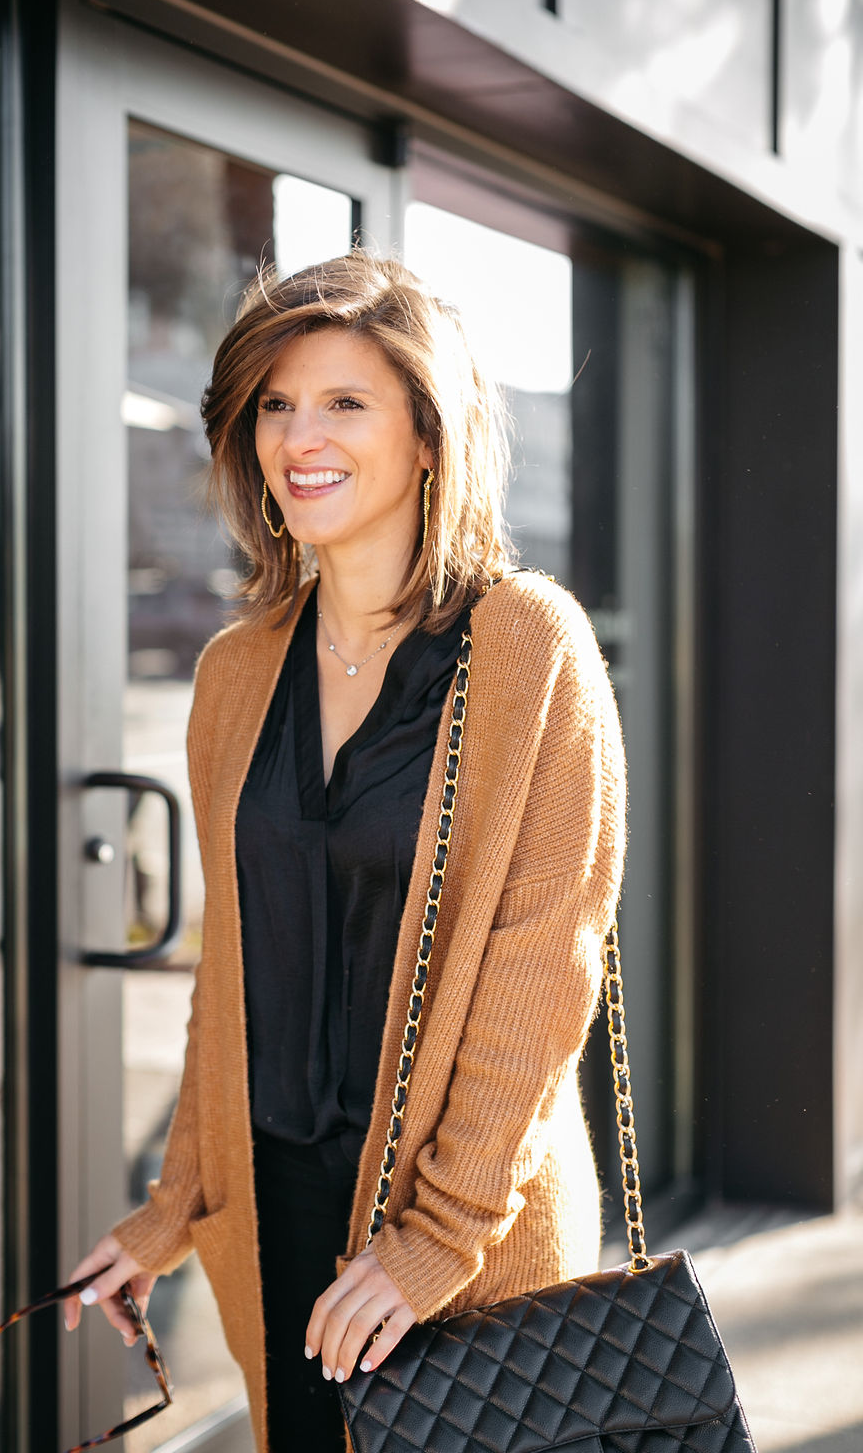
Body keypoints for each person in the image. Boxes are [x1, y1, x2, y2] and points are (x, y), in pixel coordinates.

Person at [65, 252, 627, 1452]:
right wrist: (176, 1206)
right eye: (274, 403)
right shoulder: (236, 669)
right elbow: (236, 977)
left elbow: (541, 979)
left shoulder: (526, 646)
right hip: (280, 1217)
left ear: (429, 435)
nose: (297, 435)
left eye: (344, 402)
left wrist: (437, 1239)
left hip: (460, 1235)